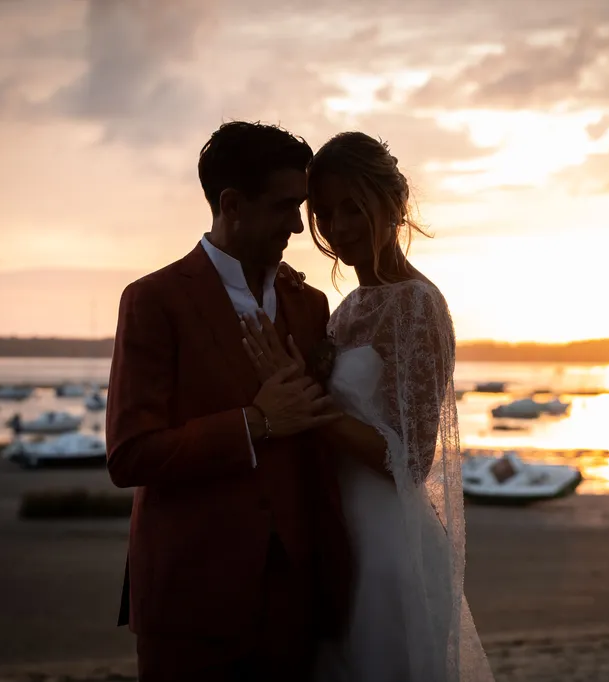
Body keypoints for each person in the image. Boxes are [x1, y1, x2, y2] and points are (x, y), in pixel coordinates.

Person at [241, 131, 493, 681]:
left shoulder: (418, 306)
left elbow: (411, 460)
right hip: (333, 533)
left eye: (353, 208)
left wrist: (309, 408)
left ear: (394, 206)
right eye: (324, 213)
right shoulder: (347, 307)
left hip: (385, 546)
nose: (338, 227)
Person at [105, 121, 352, 681]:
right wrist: (257, 422)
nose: (298, 225)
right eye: (284, 206)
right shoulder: (154, 300)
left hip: (297, 607)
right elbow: (129, 455)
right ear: (232, 204)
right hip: (190, 605)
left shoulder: (309, 304)